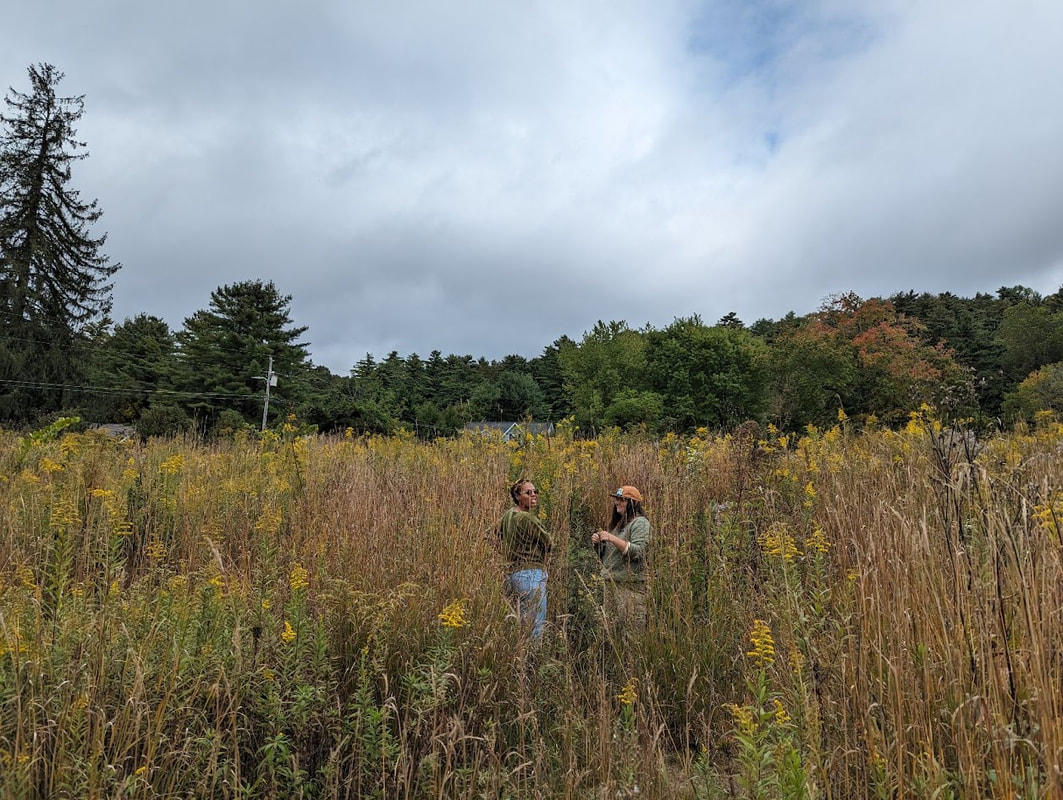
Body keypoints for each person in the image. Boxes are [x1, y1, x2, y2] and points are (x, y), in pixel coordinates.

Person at [591, 485, 651, 659]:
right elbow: (607, 558)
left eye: (622, 499)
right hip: (612, 585)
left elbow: (639, 552)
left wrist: (611, 537)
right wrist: (599, 544)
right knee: (610, 635)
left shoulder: (640, 522)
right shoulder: (617, 525)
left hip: (630, 588)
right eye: (616, 499)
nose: (617, 502)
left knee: (632, 638)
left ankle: (633, 675)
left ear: (632, 502)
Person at [499, 478, 553, 640]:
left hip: (511, 576)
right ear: (517, 496)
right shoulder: (527, 518)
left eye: (535, 492)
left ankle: (518, 658)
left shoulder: (508, 515)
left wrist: (506, 552)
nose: (533, 495)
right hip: (530, 576)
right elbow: (549, 543)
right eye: (528, 493)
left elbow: (490, 534)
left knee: (518, 624)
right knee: (535, 627)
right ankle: (532, 663)